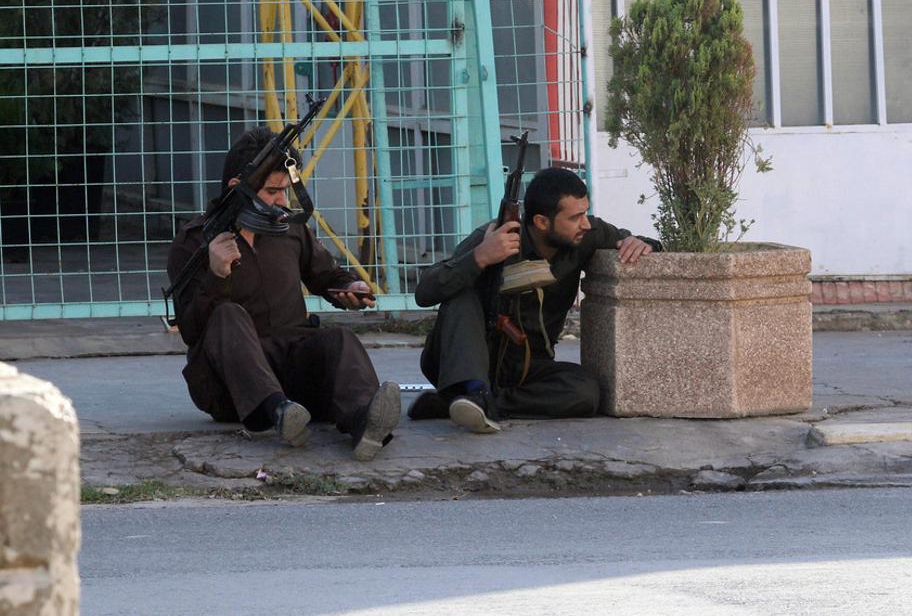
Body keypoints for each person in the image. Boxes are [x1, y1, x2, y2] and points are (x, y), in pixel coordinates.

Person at [166, 127, 401, 461]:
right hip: (230, 385)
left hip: (291, 368)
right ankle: (276, 412)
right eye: (272, 191)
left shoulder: (288, 228)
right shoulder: (192, 242)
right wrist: (217, 275)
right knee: (228, 314)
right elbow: (192, 331)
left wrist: (350, 288)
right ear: (237, 189)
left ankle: (365, 423)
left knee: (338, 339)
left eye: (285, 190)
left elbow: (326, 274)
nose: (282, 201)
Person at [409, 166, 656, 433]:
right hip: (465, 360)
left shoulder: (585, 234)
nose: (585, 223)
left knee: (585, 392)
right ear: (541, 222)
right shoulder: (491, 237)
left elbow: (632, 241)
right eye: (575, 217)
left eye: (585, 212)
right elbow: (425, 292)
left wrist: (642, 244)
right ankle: (471, 391)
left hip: (527, 367)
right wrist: (480, 257)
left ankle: (472, 404)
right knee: (462, 293)